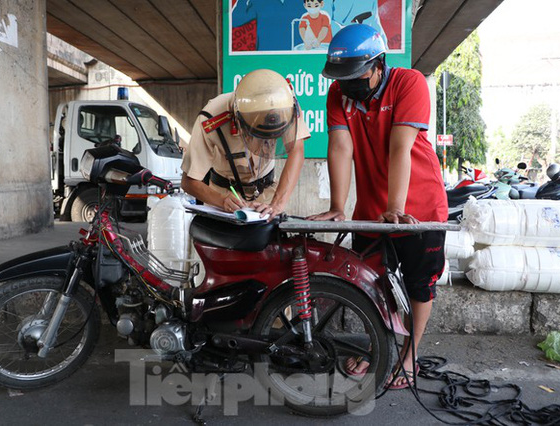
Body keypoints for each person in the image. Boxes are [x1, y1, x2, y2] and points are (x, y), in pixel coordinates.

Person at [308, 24, 448, 389]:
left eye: (356, 75)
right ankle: (378, 345)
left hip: (419, 206)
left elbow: (401, 147)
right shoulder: (338, 94)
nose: (347, 84)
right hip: (371, 208)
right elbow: (340, 148)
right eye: (341, 76)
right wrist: (338, 206)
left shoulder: (409, 83)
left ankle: (410, 355)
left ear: (378, 64)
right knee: (371, 282)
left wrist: (396, 208)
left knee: (420, 285)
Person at [181, 69, 310, 220]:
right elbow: (188, 181)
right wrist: (221, 201)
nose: (264, 144)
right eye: (257, 135)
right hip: (224, 199)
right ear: (238, 120)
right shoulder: (211, 118)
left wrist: (278, 203)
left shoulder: (286, 105)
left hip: (267, 197)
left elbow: (296, 150)